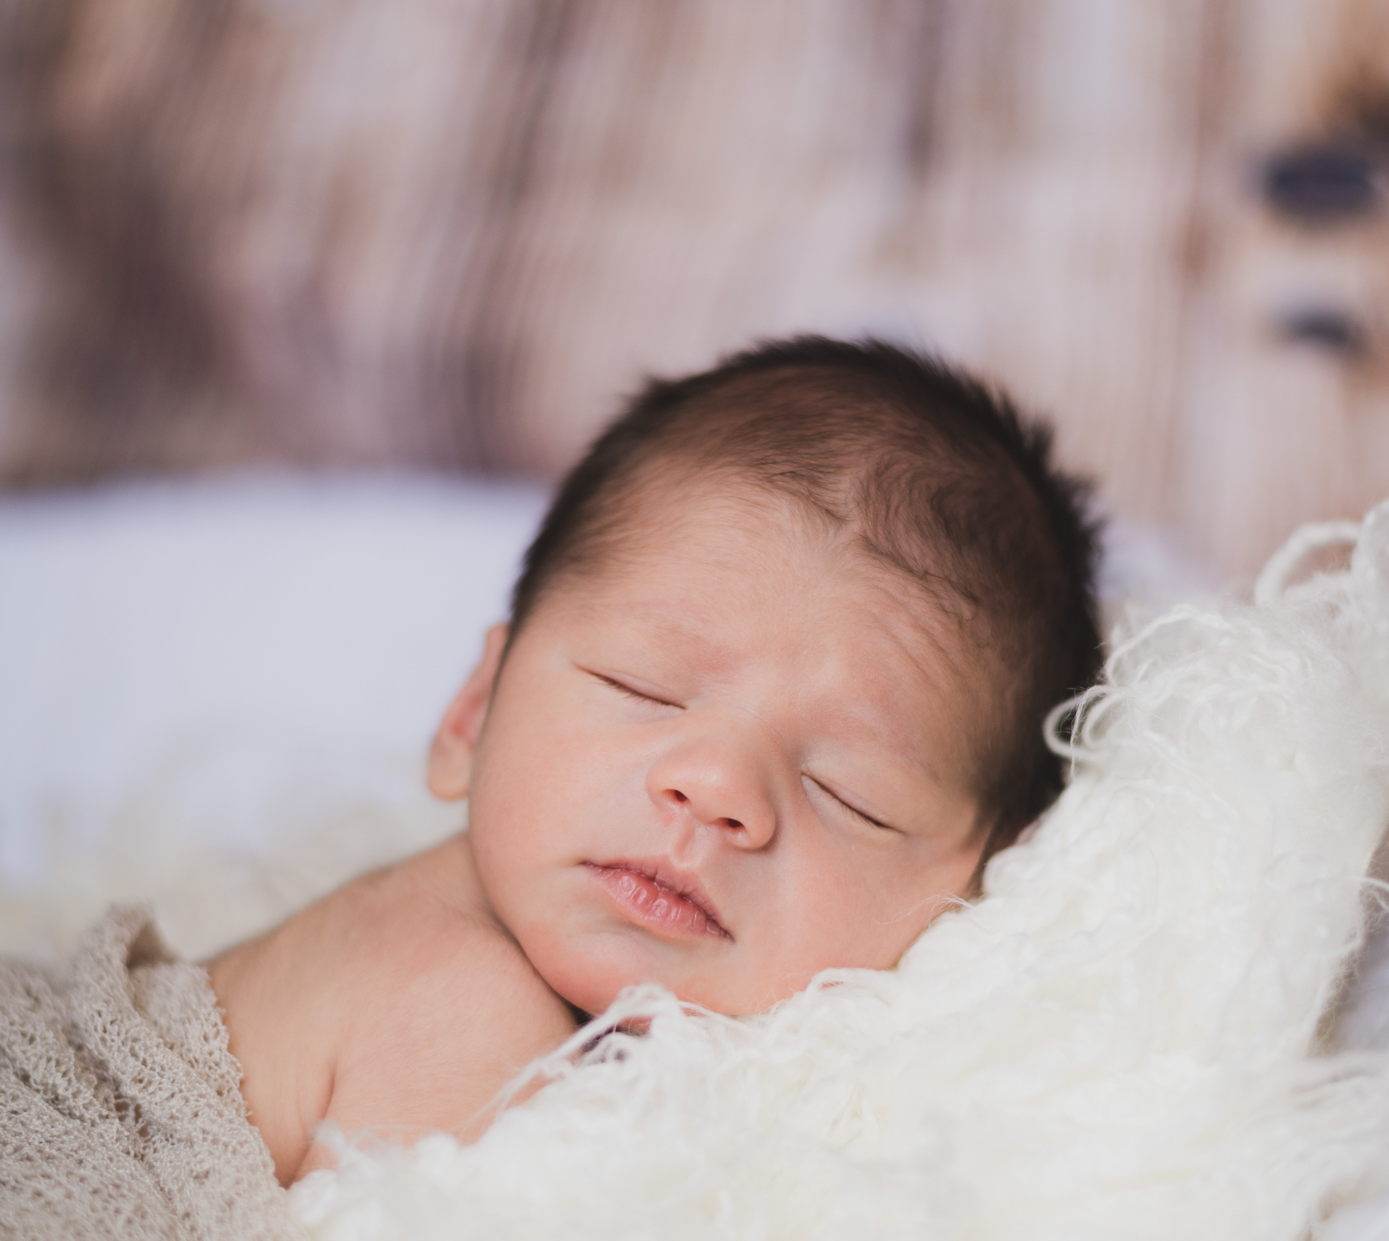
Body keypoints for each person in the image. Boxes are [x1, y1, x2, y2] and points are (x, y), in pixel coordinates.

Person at [207, 335, 1102, 1186]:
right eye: (644, 688)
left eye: (846, 794)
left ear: (983, 894)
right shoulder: (456, 1005)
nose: (714, 789)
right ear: (473, 715)